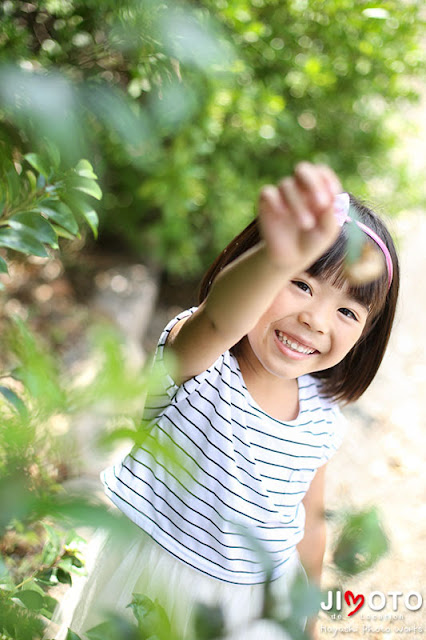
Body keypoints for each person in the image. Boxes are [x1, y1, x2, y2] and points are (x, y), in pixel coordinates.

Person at [52, 162, 399, 640]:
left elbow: (310, 525)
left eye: (346, 311)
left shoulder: (320, 416)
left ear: (365, 335)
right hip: (148, 585)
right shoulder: (199, 362)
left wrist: (308, 621)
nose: (316, 320)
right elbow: (218, 319)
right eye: (300, 283)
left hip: (250, 611)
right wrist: (278, 256)